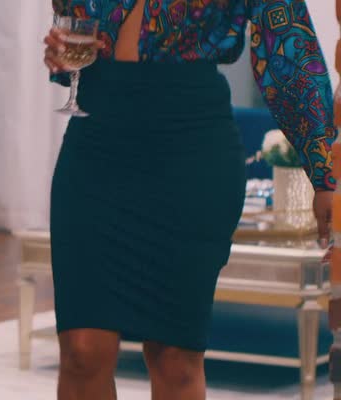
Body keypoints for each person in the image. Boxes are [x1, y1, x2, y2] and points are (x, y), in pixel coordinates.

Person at [43, 0, 336, 399]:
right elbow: (76, 35)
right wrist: (62, 54)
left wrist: (324, 174)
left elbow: (288, 47)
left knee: (175, 359)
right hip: (95, 148)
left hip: (192, 151)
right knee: (82, 352)